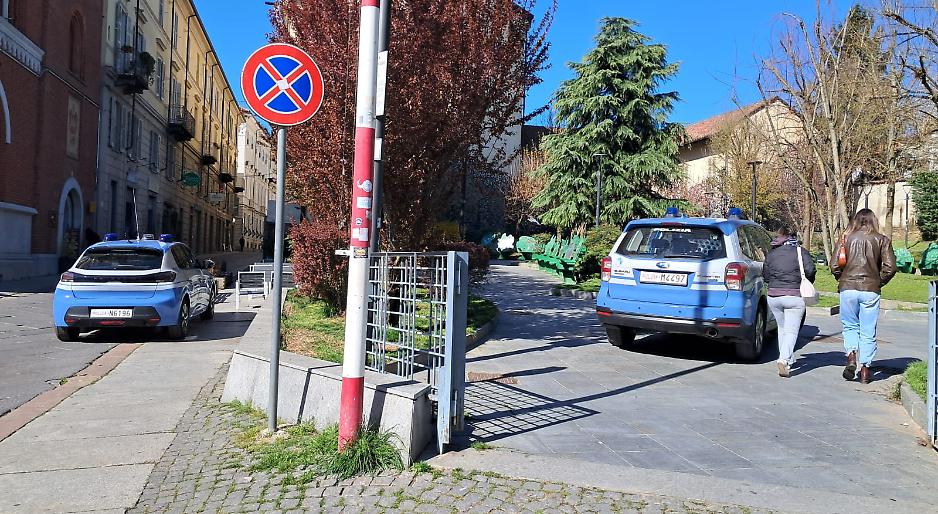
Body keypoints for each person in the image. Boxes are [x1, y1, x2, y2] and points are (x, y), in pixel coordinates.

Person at [830, 209, 896, 384]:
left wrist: (842, 279)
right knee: (868, 330)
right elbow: (890, 267)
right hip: (870, 290)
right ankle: (865, 369)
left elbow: (834, 265)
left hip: (848, 288)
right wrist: (878, 282)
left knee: (850, 325)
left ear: (856, 221)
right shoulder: (882, 240)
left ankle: (851, 355)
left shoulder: (845, 238)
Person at [763, 227, 816, 378]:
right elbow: (810, 270)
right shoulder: (800, 252)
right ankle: (784, 359)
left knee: (782, 328)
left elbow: (765, 275)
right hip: (794, 296)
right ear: (793, 237)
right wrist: (805, 282)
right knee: (792, 330)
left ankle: (787, 357)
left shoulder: (771, 253)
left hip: (774, 296)